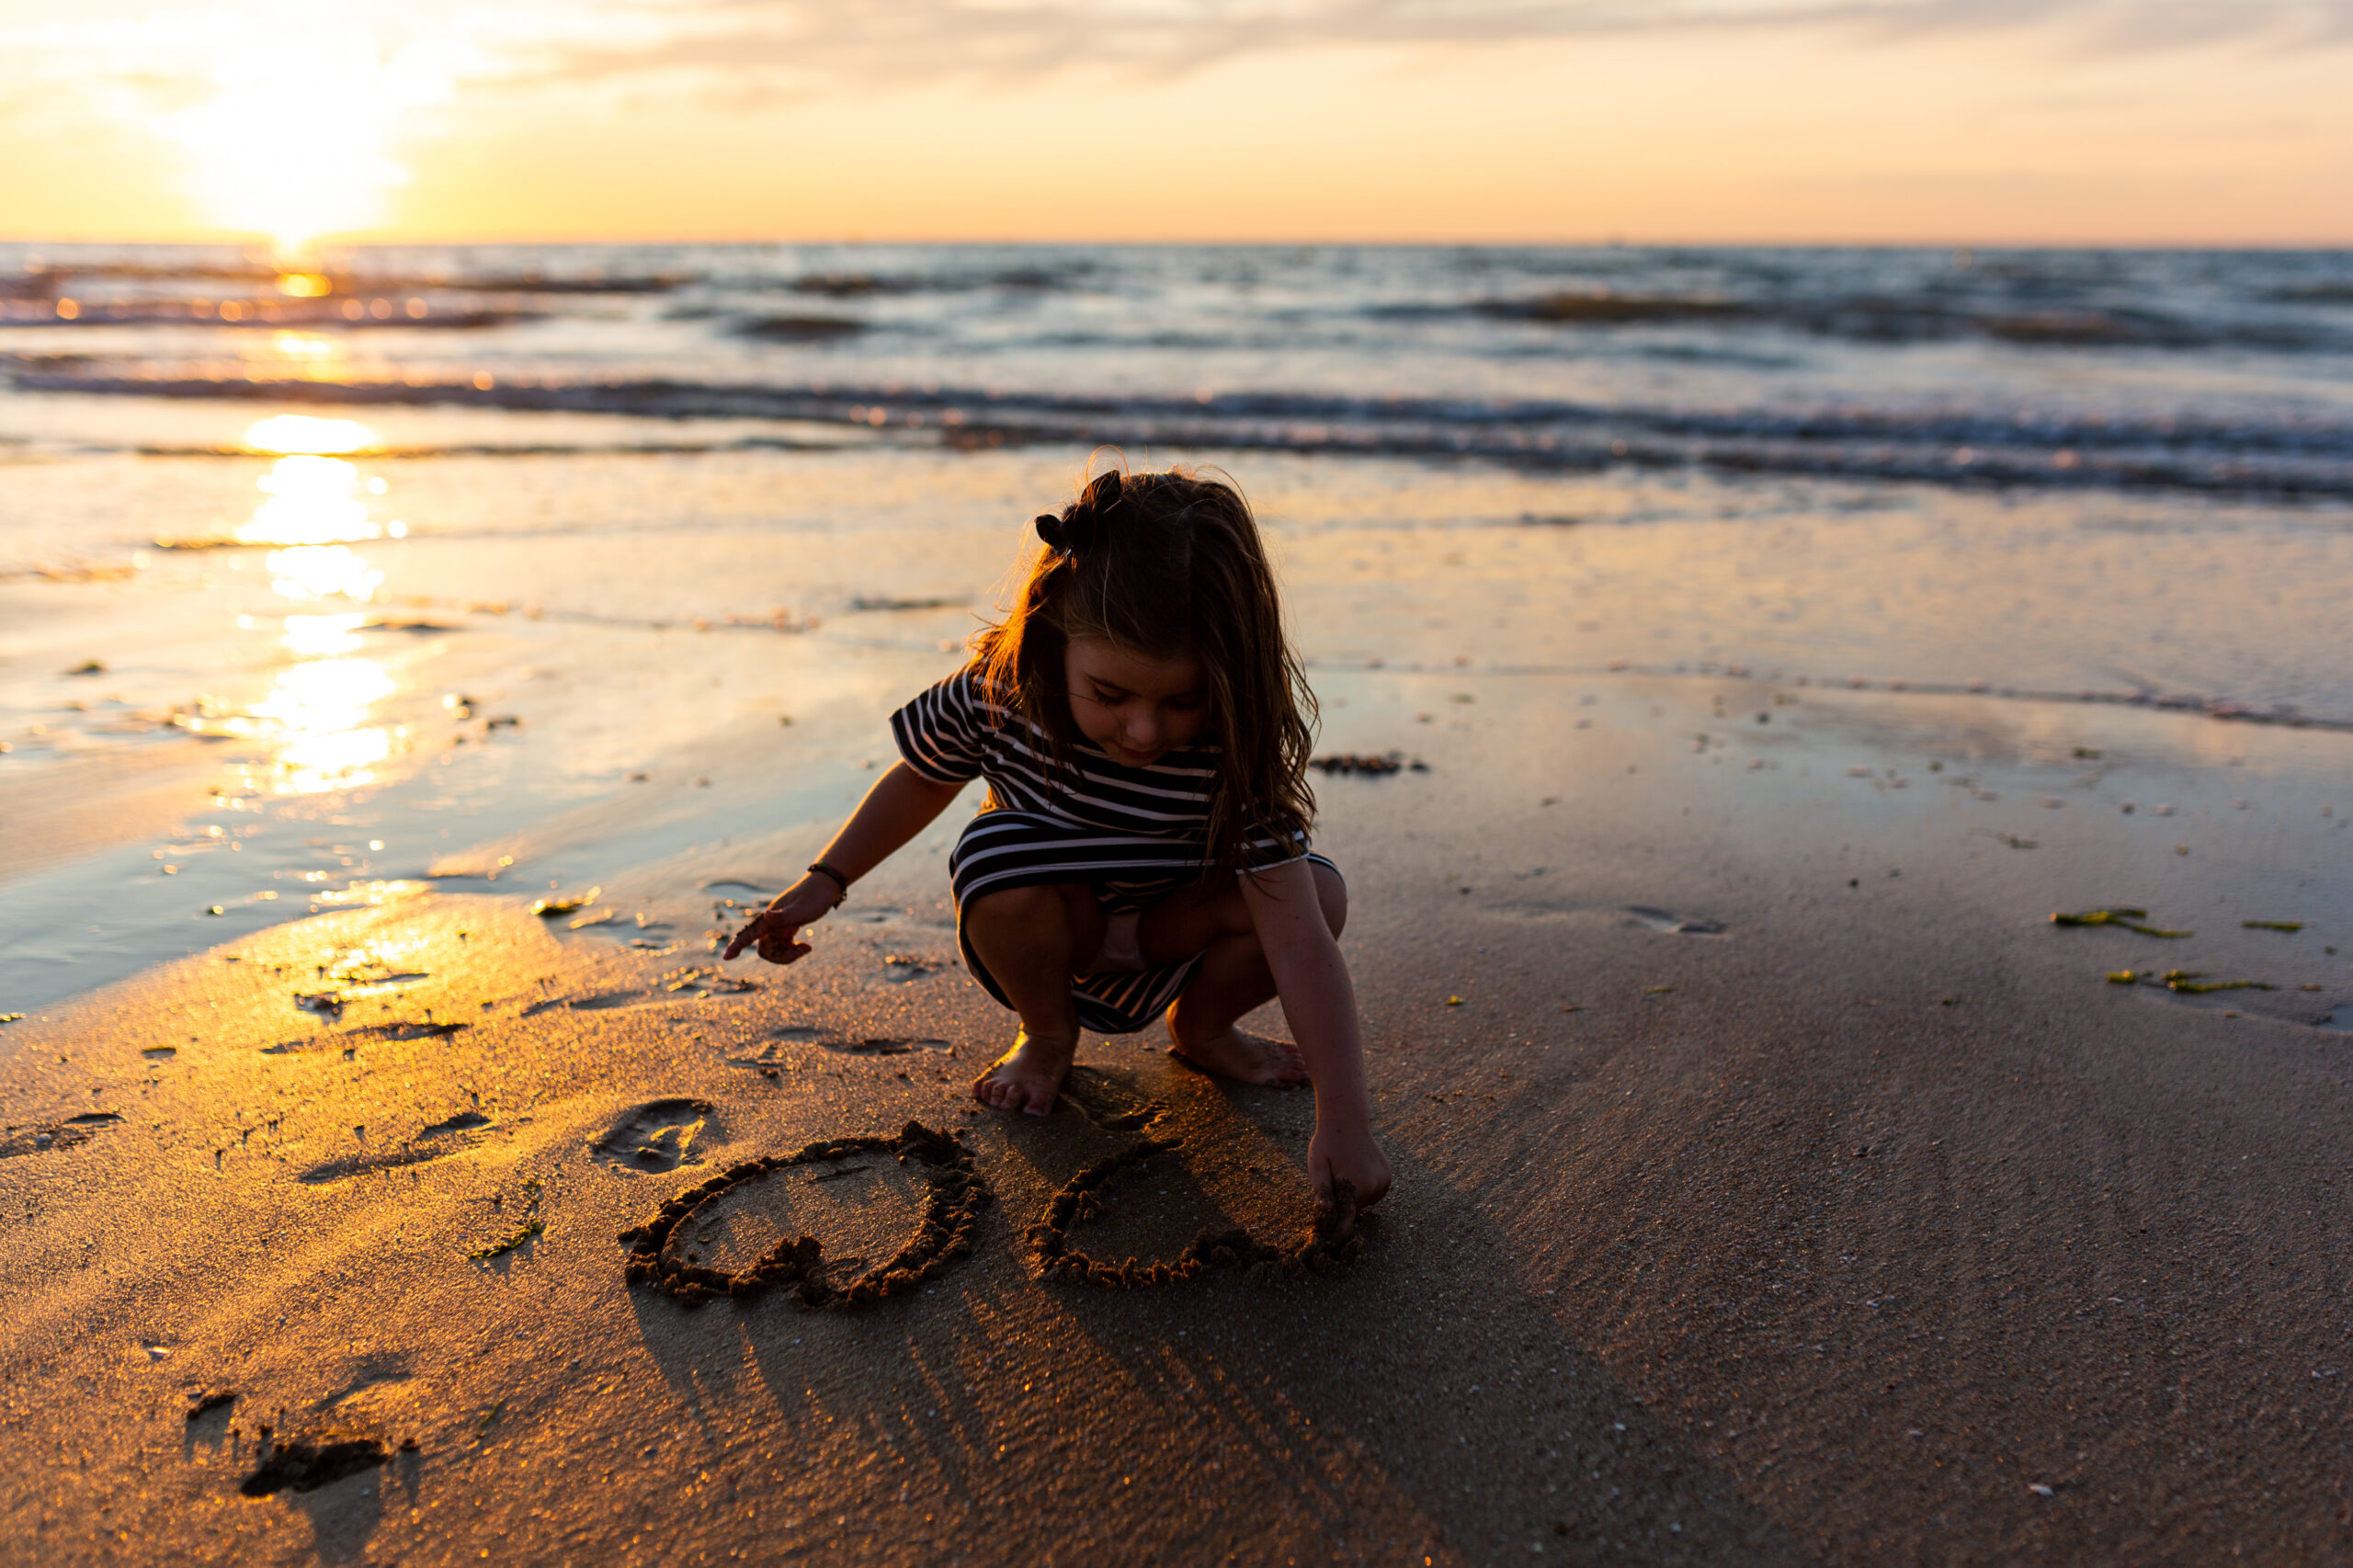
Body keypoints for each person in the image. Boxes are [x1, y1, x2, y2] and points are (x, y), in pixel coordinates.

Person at [724, 466, 1390, 1213]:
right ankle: (1046, 1034)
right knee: (992, 853)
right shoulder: (999, 693)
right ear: (1054, 634)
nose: (1145, 730)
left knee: (1317, 892)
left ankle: (1204, 1028)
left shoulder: (1235, 747)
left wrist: (1346, 1122)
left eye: (1183, 700)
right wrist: (827, 879)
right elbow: (922, 779)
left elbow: (1298, 943)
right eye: (1110, 695)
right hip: (1051, 930)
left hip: (1177, 928)